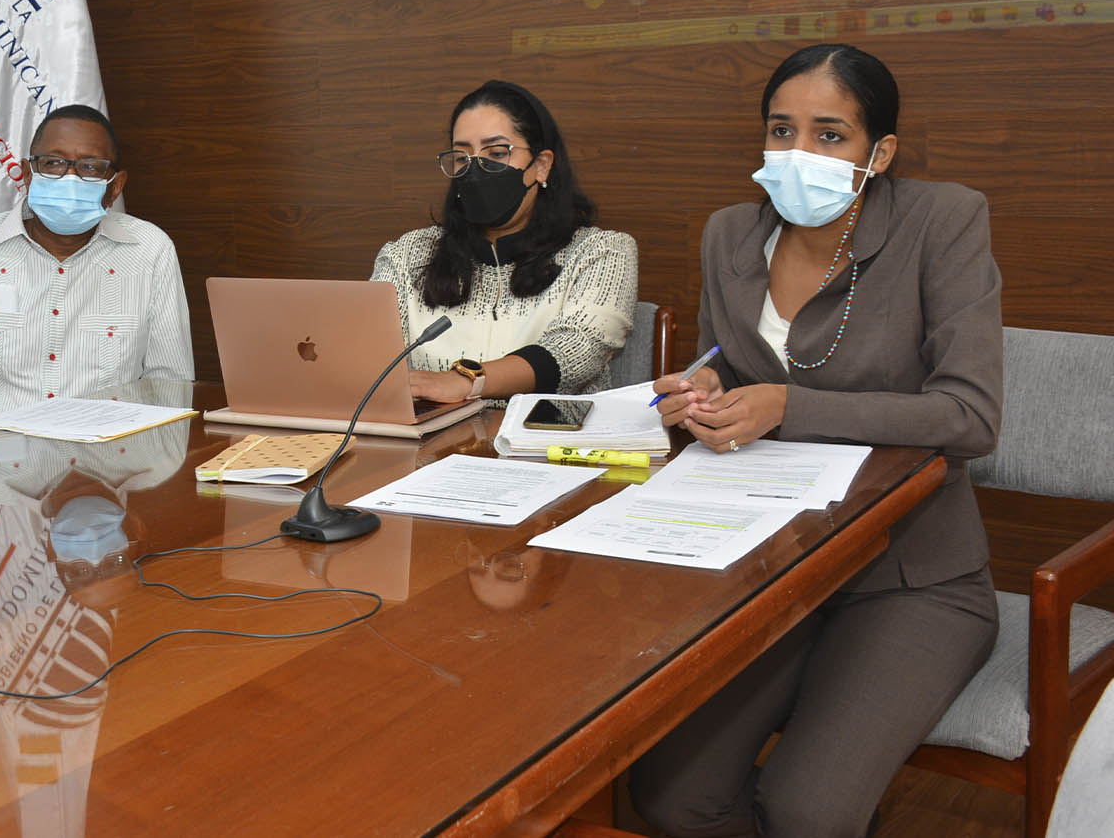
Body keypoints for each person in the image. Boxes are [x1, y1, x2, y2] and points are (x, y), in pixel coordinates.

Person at [630, 44, 1003, 837]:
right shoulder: (730, 233)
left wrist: (787, 406)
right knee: (669, 793)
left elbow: (969, 416)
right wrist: (701, 397)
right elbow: (723, 370)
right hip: (771, 570)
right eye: (781, 129)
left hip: (911, 577)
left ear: (881, 152)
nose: (799, 153)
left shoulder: (944, 219)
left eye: (830, 134)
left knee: (807, 807)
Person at [0, 105, 194, 443]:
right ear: (27, 174)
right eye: (53, 163)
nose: (70, 178)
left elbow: (169, 395)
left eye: (90, 167)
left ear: (115, 187)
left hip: (105, 480)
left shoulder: (149, 252)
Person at [370, 80, 637, 403]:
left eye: (496, 153)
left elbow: (576, 349)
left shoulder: (601, 252)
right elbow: (370, 357)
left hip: (543, 445)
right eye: (461, 157)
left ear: (541, 166)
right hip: (429, 444)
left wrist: (466, 381)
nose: (476, 170)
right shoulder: (407, 255)